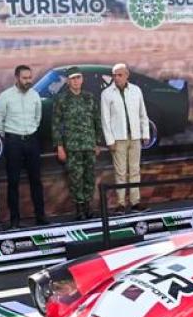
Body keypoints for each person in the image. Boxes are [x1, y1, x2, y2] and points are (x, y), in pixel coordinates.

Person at [0, 65, 47, 228]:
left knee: (36, 180)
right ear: (16, 78)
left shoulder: (35, 95)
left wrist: (30, 131)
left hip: (31, 140)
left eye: (30, 78)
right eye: (24, 78)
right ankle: (15, 220)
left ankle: (40, 216)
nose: (28, 81)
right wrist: (10, 136)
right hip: (13, 142)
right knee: (13, 182)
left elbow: (38, 117)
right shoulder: (5, 96)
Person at [54, 70, 105, 220]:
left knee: (89, 177)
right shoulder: (62, 99)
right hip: (72, 146)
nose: (76, 81)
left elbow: (97, 121)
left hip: (89, 145)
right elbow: (56, 125)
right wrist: (59, 146)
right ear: (68, 81)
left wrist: (97, 143)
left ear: (82, 79)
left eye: (78, 78)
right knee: (76, 179)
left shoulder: (89, 97)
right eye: (73, 79)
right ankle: (79, 209)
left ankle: (88, 208)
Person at [100, 63, 151, 213]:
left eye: (119, 75)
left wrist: (145, 133)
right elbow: (105, 119)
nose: (116, 78)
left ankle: (135, 202)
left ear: (127, 75)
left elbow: (143, 114)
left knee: (135, 170)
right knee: (120, 172)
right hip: (118, 139)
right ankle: (121, 204)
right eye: (114, 75)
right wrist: (109, 140)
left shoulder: (136, 91)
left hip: (135, 137)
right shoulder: (107, 94)